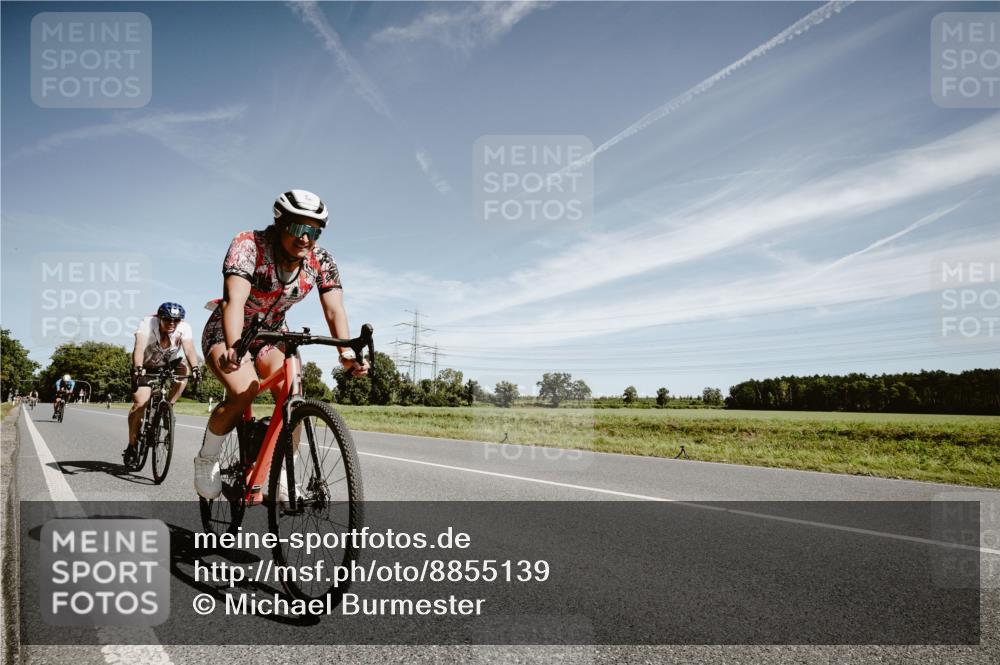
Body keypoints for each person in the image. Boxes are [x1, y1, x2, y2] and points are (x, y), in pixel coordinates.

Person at [194, 189, 368, 499]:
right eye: (299, 228)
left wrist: (345, 351)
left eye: (314, 231)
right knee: (243, 390)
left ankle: (286, 473)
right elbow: (235, 301)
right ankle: (208, 457)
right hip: (230, 331)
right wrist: (235, 346)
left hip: (273, 333)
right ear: (280, 224)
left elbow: (334, 308)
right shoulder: (249, 245)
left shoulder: (320, 260)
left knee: (293, 396)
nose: (306, 238)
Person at [124, 302, 201, 465]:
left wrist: (195, 368)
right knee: (140, 404)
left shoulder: (184, 327)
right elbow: (138, 348)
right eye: (167, 319)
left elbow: (189, 349)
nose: (172, 323)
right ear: (159, 318)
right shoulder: (148, 323)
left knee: (184, 370)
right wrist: (137, 368)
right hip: (145, 365)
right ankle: (132, 446)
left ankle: (169, 406)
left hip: (167, 364)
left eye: (176, 320)